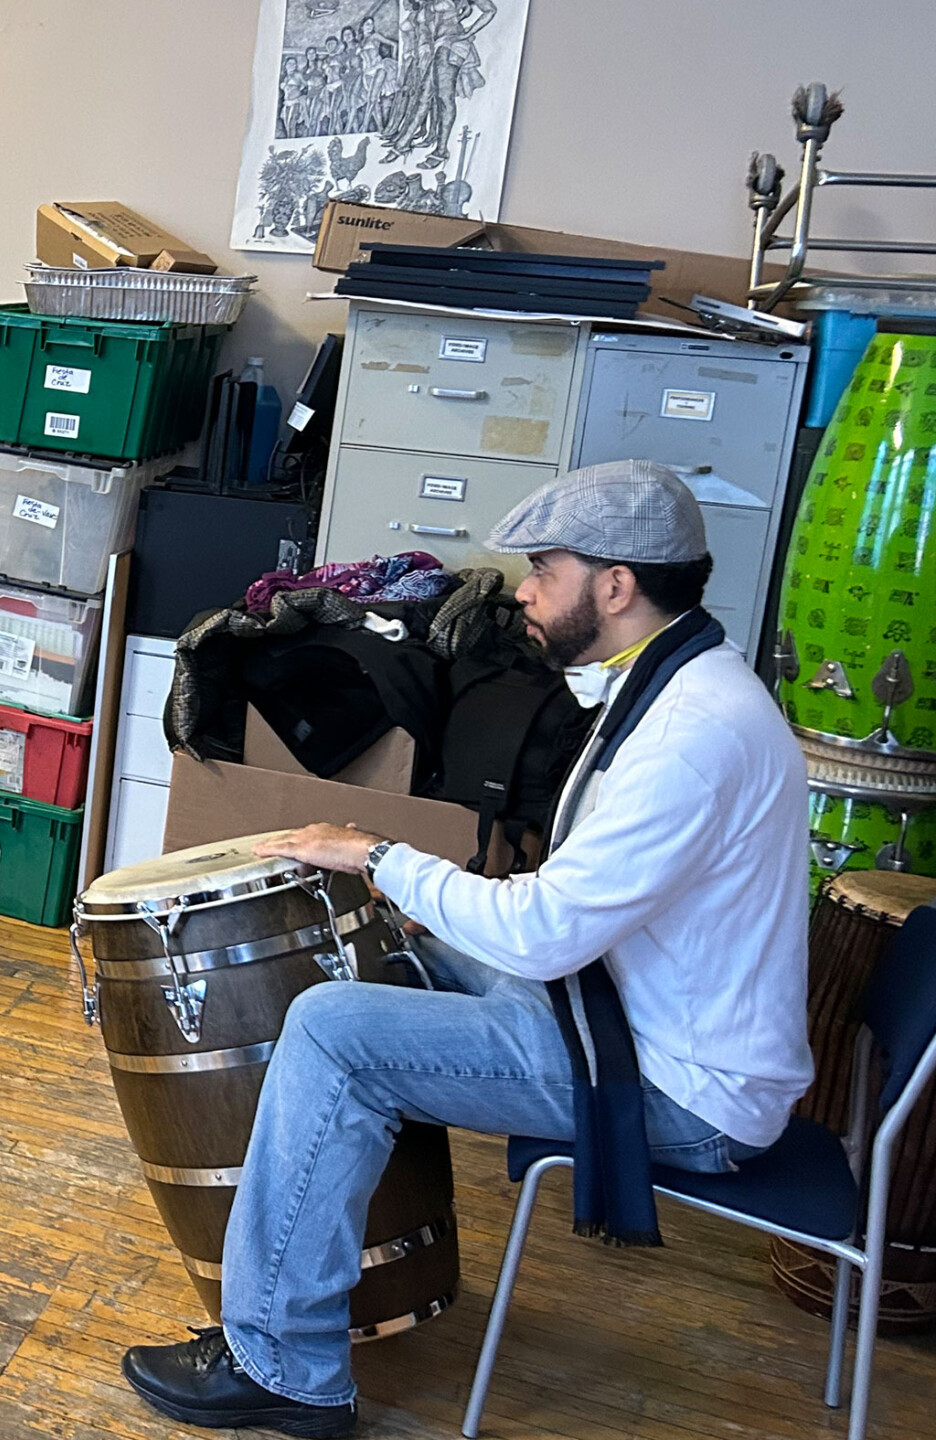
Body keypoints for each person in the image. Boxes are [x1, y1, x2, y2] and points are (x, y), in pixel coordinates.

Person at [117, 460, 811, 1438]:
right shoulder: (676, 685)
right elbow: (570, 914)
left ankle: (281, 1366)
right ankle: (364, 1266)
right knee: (402, 954)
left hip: (682, 1084)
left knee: (331, 1029)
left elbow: (543, 931)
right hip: (630, 1012)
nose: (522, 590)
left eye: (543, 568)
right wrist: (425, 909)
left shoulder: (692, 734)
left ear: (614, 586)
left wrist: (378, 855)